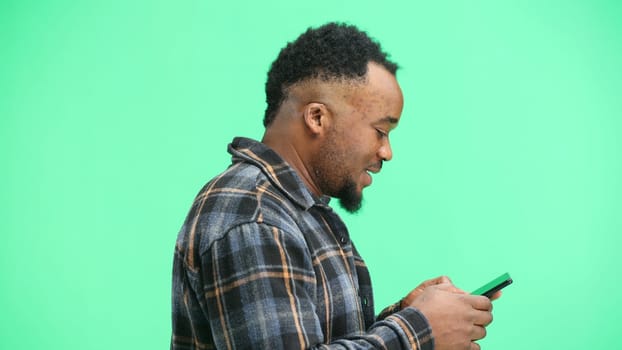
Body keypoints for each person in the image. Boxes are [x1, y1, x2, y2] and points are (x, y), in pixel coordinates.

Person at [171, 22, 497, 350]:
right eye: (380, 131)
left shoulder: (298, 211)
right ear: (317, 118)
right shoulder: (255, 218)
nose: (387, 152)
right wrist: (418, 332)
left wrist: (407, 314)